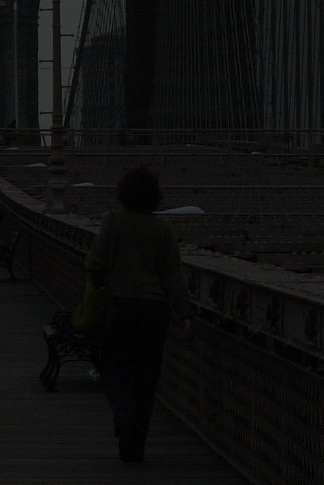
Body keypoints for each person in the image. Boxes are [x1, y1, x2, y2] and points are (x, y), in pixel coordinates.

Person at [84, 167, 191, 463]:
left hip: (120, 307)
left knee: (113, 368)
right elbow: (174, 276)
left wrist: (95, 290)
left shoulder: (113, 222)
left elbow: (95, 265)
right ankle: (135, 447)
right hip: (155, 310)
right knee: (147, 377)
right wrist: (185, 313)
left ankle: (124, 415)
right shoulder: (163, 229)